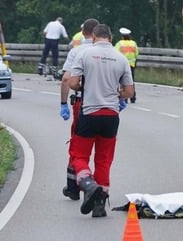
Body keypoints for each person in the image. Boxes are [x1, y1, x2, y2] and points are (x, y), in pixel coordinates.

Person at [64, 24, 134, 217]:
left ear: (93, 37)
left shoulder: (84, 55)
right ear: (110, 38)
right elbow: (129, 91)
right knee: (104, 160)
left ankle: (88, 184)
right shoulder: (121, 58)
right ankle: (100, 203)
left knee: (79, 156)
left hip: (89, 112)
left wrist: (85, 89)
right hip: (111, 115)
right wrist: (114, 93)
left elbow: (72, 82)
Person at [58, 18, 99, 201]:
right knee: (103, 150)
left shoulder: (77, 51)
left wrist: (63, 104)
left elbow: (67, 79)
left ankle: (75, 186)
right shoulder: (110, 52)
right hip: (106, 106)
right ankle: (101, 187)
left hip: (82, 104)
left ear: (84, 33)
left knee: (78, 146)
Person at [115, 27, 139, 102]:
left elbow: (115, 54)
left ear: (122, 36)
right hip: (131, 64)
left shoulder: (119, 44)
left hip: (121, 65)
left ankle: (125, 98)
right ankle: (133, 97)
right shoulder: (133, 43)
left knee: (122, 81)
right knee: (131, 81)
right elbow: (137, 54)